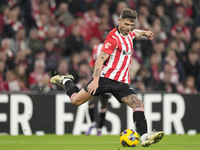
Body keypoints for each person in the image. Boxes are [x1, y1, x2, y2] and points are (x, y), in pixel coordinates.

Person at [50, 8, 164, 147]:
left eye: (131, 25)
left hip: (122, 82)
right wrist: (96, 80)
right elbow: (99, 61)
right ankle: (67, 80)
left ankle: (145, 136)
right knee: (75, 101)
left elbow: (135, 33)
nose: (128, 28)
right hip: (105, 79)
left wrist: (144, 33)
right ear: (119, 21)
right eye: (126, 24)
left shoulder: (130, 33)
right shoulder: (113, 38)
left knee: (139, 105)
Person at [85, 30, 111, 136]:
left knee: (104, 103)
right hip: (96, 78)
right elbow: (92, 60)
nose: (105, 37)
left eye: (107, 35)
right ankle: (92, 123)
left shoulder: (114, 48)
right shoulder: (97, 47)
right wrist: (92, 68)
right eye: (104, 35)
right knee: (90, 101)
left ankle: (100, 129)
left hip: (107, 79)